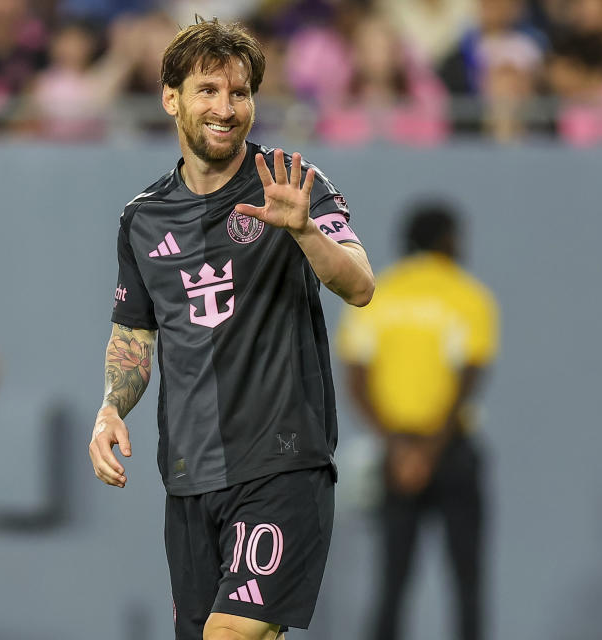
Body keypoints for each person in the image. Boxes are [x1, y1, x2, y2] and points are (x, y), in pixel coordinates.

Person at [86, 17, 374, 640]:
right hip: (188, 478)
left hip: (280, 465)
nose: (225, 108)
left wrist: (302, 231)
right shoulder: (142, 218)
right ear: (171, 98)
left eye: (239, 93)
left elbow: (359, 285)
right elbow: (134, 333)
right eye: (208, 91)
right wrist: (112, 408)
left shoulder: (293, 184)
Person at [336, 201, 499, 640]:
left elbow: (357, 380)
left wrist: (399, 448)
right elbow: (468, 379)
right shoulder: (467, 295)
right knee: (467, 580)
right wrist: (429, 451)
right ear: (446, 240)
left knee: (392, 581)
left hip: (396, 453)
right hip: (452, 449)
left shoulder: (377, 293)